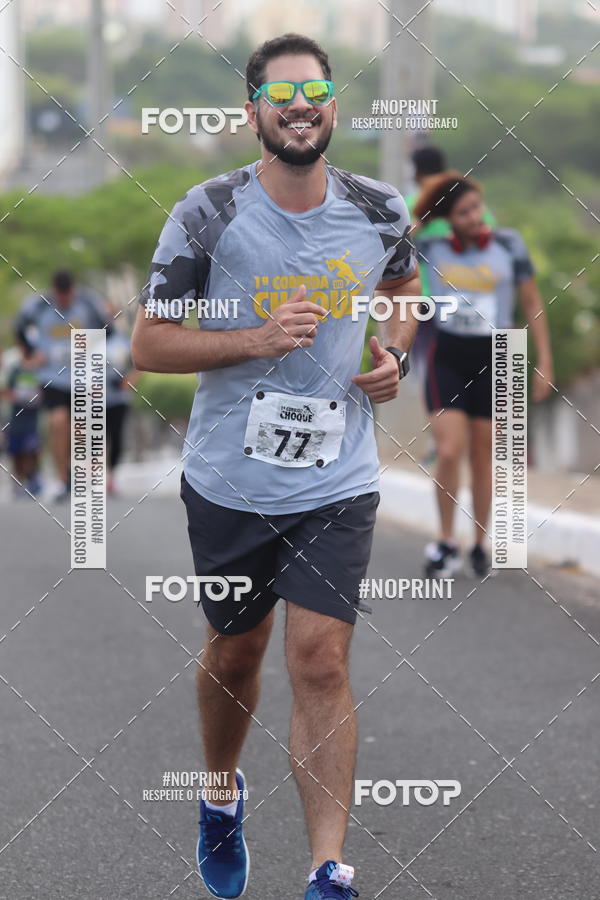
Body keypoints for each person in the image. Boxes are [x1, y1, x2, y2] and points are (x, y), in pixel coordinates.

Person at [132, 32, 420, 900]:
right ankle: (220, 796)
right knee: (235, 656)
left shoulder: (379, 209)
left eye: (318, 90)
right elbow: (148, 342)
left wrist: (394, 356)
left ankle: (327, 869)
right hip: (231, 478)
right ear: (252, 109)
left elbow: (403, 293)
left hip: (338, 475)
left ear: (334, 105)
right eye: (283, 93)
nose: (302, 105)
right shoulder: (208, 211)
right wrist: (254, 340)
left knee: (322, 661)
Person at [413, 173, 554, 577]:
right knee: (451, 449)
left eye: (478, 207)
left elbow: (532, 303)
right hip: (447, 353)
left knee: (483, 454)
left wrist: (544, 360)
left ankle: (479, 542)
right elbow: (395, 241)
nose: (475, 217)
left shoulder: (509, 244)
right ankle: (444, 541)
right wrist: (427, 215)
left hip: (499, 355)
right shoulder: (432, 246)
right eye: (463, 212)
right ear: (448, 218)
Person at [15, 269, 113, 501]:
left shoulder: (88, 302)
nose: (64, 301)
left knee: (81, 427)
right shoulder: (38, 305)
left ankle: (81, 473)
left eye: (67, 296)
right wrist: (31, 353)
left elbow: (109, 330)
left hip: (83, 375)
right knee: (58, 423)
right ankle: (62, 479)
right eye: (60, 296)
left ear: (73, 291)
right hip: (52, 376)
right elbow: (20, 328)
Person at [4, 342, 42, 498]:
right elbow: (6, 390)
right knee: (16, 451)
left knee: (31, 449)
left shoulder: (39, 371)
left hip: (32, 418)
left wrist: (38, 398)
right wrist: (16, 397)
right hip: (15, 417)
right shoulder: (15, 370)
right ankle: (18, 481)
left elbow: (45, 389)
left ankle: (31, 479)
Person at [105, 329, 137, 496]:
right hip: (92, 399)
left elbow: (138, 364)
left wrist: (129, 381)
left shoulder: (123, 341)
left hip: (118, 399)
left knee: (116, 437)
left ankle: (111, 479)